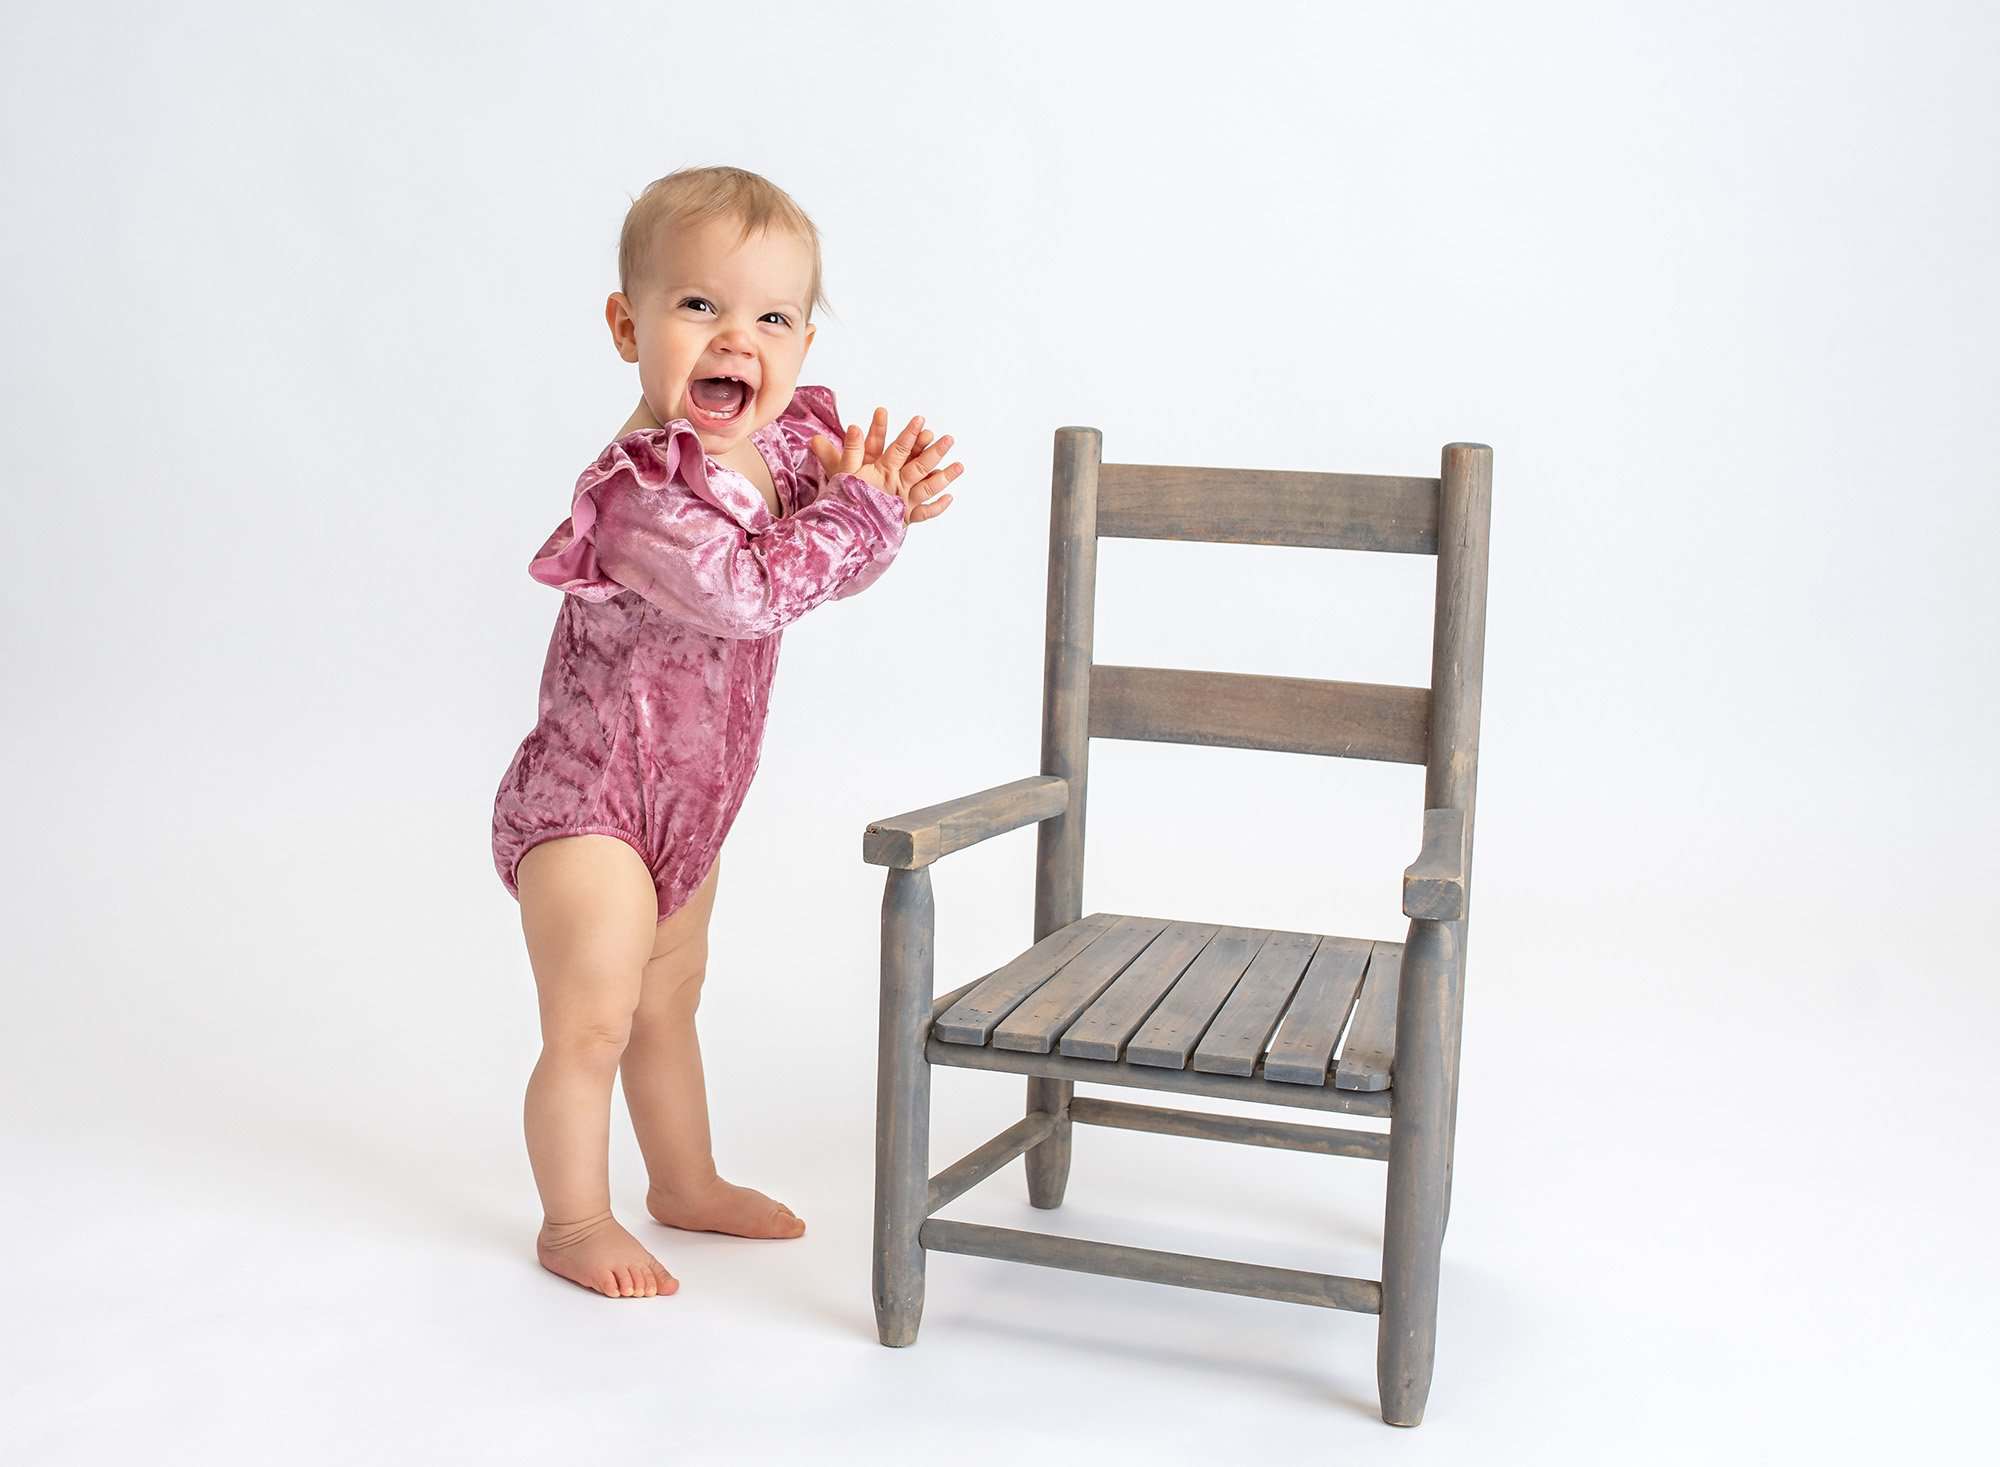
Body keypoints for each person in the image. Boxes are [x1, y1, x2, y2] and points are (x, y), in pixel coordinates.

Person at [490, 165, 963, 1298]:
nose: (733, 338)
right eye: (697, 306)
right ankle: (572, 1222)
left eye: (771, 316)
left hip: (688, 804)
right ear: (628, 325)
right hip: (590, 802)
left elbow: (815, 576)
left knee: (669, 995)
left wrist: (873, 495)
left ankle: (685, 1180)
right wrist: (861, 513)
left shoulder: (783, 450)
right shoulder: (643, 489)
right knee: (594, 1023)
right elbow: (749, 594)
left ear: (803, 341)